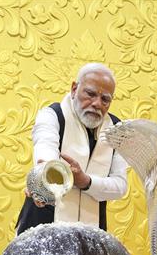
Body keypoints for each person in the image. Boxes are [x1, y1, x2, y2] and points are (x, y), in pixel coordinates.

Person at [16, 63, 128, 234]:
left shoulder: (116, 131)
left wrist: (86, 181)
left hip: (90, 235)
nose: (97, 104)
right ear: (74, 89)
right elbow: (45, 149)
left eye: (105, 99)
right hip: (41, 229)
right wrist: (42, 179)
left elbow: (120, 186)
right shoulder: (52, 115)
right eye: (90, 94)